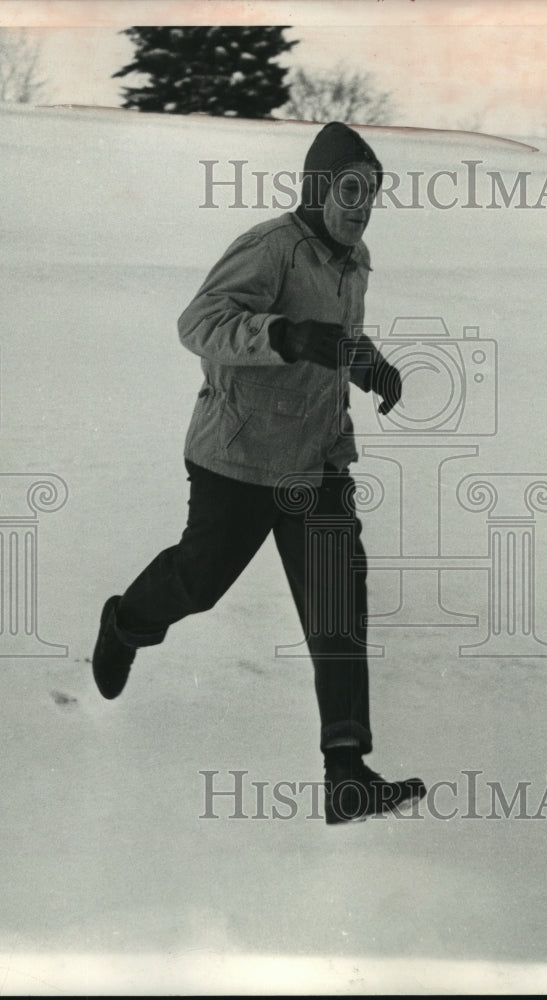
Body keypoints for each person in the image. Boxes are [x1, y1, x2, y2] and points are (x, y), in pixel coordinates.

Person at [92, 121, 425, 824]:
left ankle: (346, 773)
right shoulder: (270, 247)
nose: (361, 205)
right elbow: (199, 321)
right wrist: (280, 334)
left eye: (372, 192)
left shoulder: (352, 258)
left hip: (316, 462)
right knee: (199, 581)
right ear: (316, 187)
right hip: (237, 458)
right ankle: (125, 624)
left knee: (337, 610)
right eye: (349, 188)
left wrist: (370, 368)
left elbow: (339, 339)